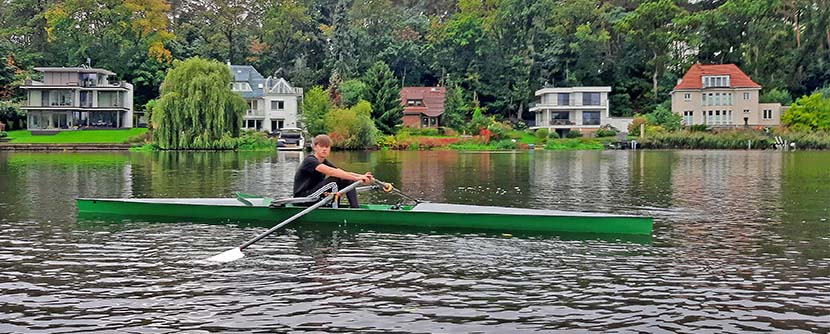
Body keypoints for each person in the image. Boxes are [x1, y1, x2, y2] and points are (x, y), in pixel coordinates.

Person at [293, 134, 374, 208]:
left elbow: (341, 172)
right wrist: (356, 178)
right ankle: (335, 210)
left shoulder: (324, 162)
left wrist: (361, 176)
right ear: (315, 147)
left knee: (347, 180)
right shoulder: (310, 161)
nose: (324, 149)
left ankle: (355, 209)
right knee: (334, 181)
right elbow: (331, 171)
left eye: (327, 147)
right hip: (303, 199)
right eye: (321, 146)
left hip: (315, 195)